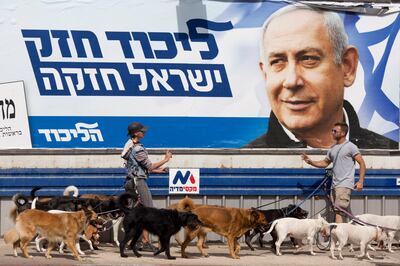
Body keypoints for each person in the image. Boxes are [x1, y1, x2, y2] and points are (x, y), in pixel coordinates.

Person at [246, 5, 397, 149]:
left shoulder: (394, 160)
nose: (292, 81)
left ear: (347, 66)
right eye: (277, 62)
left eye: (308, 59)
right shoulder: (241, 170)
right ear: (265, 74)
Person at [121, 122, 172, 251]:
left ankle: (138, 241)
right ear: (136, 133)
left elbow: (140, 167)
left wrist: (159, 170)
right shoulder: (138, 148)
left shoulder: (131, 146)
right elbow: (149, 166)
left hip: (132, 181)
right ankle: (141, 241)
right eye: (142, 131)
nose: (144, 132)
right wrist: (166, 159)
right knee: (149, 211)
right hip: (138, 182)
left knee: (138, 213)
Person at [301, 122, 366, 223]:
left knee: (339, 211)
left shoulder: (351, 146)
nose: (332, 132)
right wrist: (310, 162)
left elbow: (362, 163)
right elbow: (325, 163)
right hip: (334, 185)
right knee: (336, 212)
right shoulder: (333, 148)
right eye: (332, 130)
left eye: (335, 131)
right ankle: (338, 236)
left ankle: (338, 238)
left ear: (343, 133)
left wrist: (360, 181)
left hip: (344, 185)